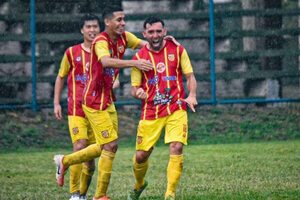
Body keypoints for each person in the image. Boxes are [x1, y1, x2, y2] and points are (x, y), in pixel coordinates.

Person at [54, 5, 153, 200]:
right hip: (92, 101)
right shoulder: (100, 42)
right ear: (107, 22)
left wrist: (166, 42)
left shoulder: (125, 37)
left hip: (107, 100)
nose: (123, 23)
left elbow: (147, 44)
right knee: (105, 144)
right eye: (119, 20)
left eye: (124, 19)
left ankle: (65, 162)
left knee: (108, 146)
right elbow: (106, 62)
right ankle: (92, 195)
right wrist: (135, 63)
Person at [127, 16, 198, 200]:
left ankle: (170, 194)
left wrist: (191, 95)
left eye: (159, 31)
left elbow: (189, 76)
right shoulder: (138, 58)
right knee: (141, 156)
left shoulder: (178, 49)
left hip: (176, 107)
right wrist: (139, 93)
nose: (155, 35)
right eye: (151, 32)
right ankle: (139, 184)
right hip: (150, 111)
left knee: (176, 147)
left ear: (165, 32)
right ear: (144, 34)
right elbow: (134, 88)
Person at [53, 13, 101, 200]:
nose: (92, 30)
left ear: (100, 29)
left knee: (90, 162)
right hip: (77, 109)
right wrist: (56, 102)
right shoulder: (71, 53)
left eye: (95, 26)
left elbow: (115, 78)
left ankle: (82, 194)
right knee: (80, 146)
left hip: (98, 111)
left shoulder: (103, 52)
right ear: (82, 30)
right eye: (88, 27)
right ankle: (74, 195)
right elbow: (61, 77)